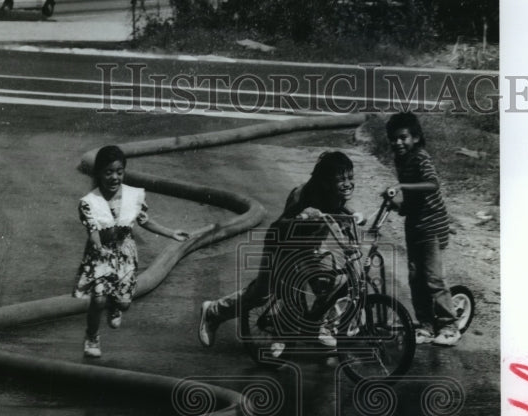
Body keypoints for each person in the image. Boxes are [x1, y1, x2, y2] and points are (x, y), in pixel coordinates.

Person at [198, 151, 365, 356]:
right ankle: (214, 311)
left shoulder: (336, 194)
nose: (348, 184)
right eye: (341, 180)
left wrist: (352, 217)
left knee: (333, 280)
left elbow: (337, 210)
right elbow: (282, 225)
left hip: (309, 247)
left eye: (350, 178)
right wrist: (302, 217)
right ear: (325, 181)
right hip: (281, 246)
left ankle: (317, 327)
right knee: (263, 294)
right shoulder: (303, 194)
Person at [73, 145, 188, 358]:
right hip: (101, 254)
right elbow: (93, 232)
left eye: (119, 172)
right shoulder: (90, 202)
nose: (114, 177)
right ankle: (92, 336)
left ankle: (116, 306)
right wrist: (99, 248)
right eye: (108, 172)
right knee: (98, 300)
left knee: (125, 303)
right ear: (99, 173)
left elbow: (144, 220)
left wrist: (171, 233)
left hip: (125, 254)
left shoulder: (132, 196)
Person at [382, 112, 460, 346]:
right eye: (394, 138)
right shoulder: (401, 159)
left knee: (433, 278)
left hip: (431, 224)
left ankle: (450, 326)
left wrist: (402, 186)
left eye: (403, 137)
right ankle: (425, 325)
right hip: (414, 223)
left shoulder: (420, 157)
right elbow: (412, 201)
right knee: (415, 277)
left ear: (415, 138)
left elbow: (432, 184)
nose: (398, 142)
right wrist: (397, 204)